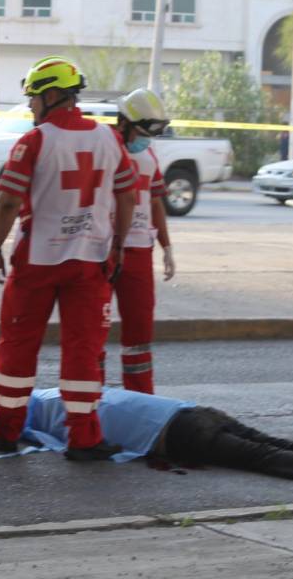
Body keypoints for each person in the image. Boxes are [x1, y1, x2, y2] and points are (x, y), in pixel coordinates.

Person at [0, 56, 137, 461]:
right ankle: (85, 439)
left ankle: (5, 432)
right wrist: (119, 244)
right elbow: (127, 194)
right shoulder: (109, 139)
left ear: (52, 95)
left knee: (18, 346)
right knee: (84, 350)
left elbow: (6, 202)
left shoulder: (34, 141)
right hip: (91, 261)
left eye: (34, 98)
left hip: (37, 261)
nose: (31, 107)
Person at [21, 387, 293, 487]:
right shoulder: (73, 389)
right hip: (192, 411)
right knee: (278, 441)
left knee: (257, 457)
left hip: (176, 434)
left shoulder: (45, 421)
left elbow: (61, 445)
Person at [103, 88, 176, 394]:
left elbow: (156, 201)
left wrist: (166, 247)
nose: (146, 139)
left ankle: (140, 398)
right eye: (143, 132)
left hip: (139, 253)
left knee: (139, 334)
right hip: (102, 251)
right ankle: (89, 398)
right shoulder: (102, 148)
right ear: (124, 123)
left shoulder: (147, 153)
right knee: (93, 330)